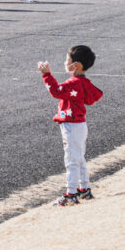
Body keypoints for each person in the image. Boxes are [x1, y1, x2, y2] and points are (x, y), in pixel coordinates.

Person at [39, 45, 102, 205]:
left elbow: (55, 91)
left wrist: (47, 75)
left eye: (67, 60)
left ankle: (71, 194)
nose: (65, 63)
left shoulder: (74, 83)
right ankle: (84, 189)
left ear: (76, 65)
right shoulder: (83, 82)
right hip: (79, 125)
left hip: (71, 126)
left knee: (71, 160)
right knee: (79, 157)